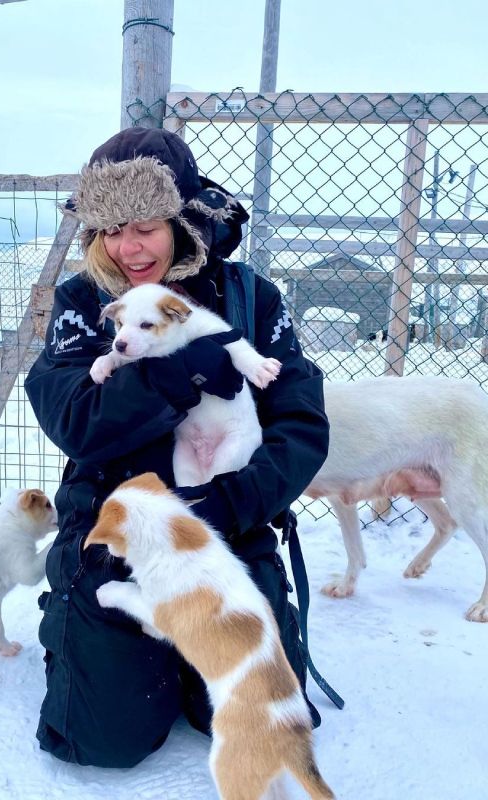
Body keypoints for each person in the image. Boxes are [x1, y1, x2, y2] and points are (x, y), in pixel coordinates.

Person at [25, 127, 330, 768]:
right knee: (103, 740)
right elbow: (74, 419)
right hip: (118, 536)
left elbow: (301, 422)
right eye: (109, 230)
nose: (126, 247)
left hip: (226, 529)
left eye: (144, 226)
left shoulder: (248, 298)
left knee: (262, 725)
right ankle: (90, 635)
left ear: (182, 220)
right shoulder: (83, 303)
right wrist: (172, 375)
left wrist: (234, 503)